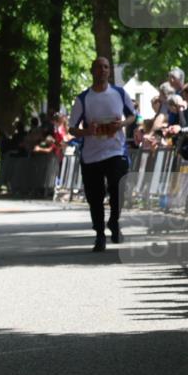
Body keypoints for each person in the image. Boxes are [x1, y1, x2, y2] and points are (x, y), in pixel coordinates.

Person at [67, 56, 137, 252]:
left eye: (106, 67)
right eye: (99, 67)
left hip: (115, 150)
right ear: (92, 71)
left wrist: (121, 124)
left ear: (109, 71)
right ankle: (99, 234)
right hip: (91, 155)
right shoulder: (83, 99)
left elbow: (132, 116)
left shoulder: (119, 93)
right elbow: (72, 128)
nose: (103, 70)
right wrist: (87, 131)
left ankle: (114, 222)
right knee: (95, 197)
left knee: (118, 188)